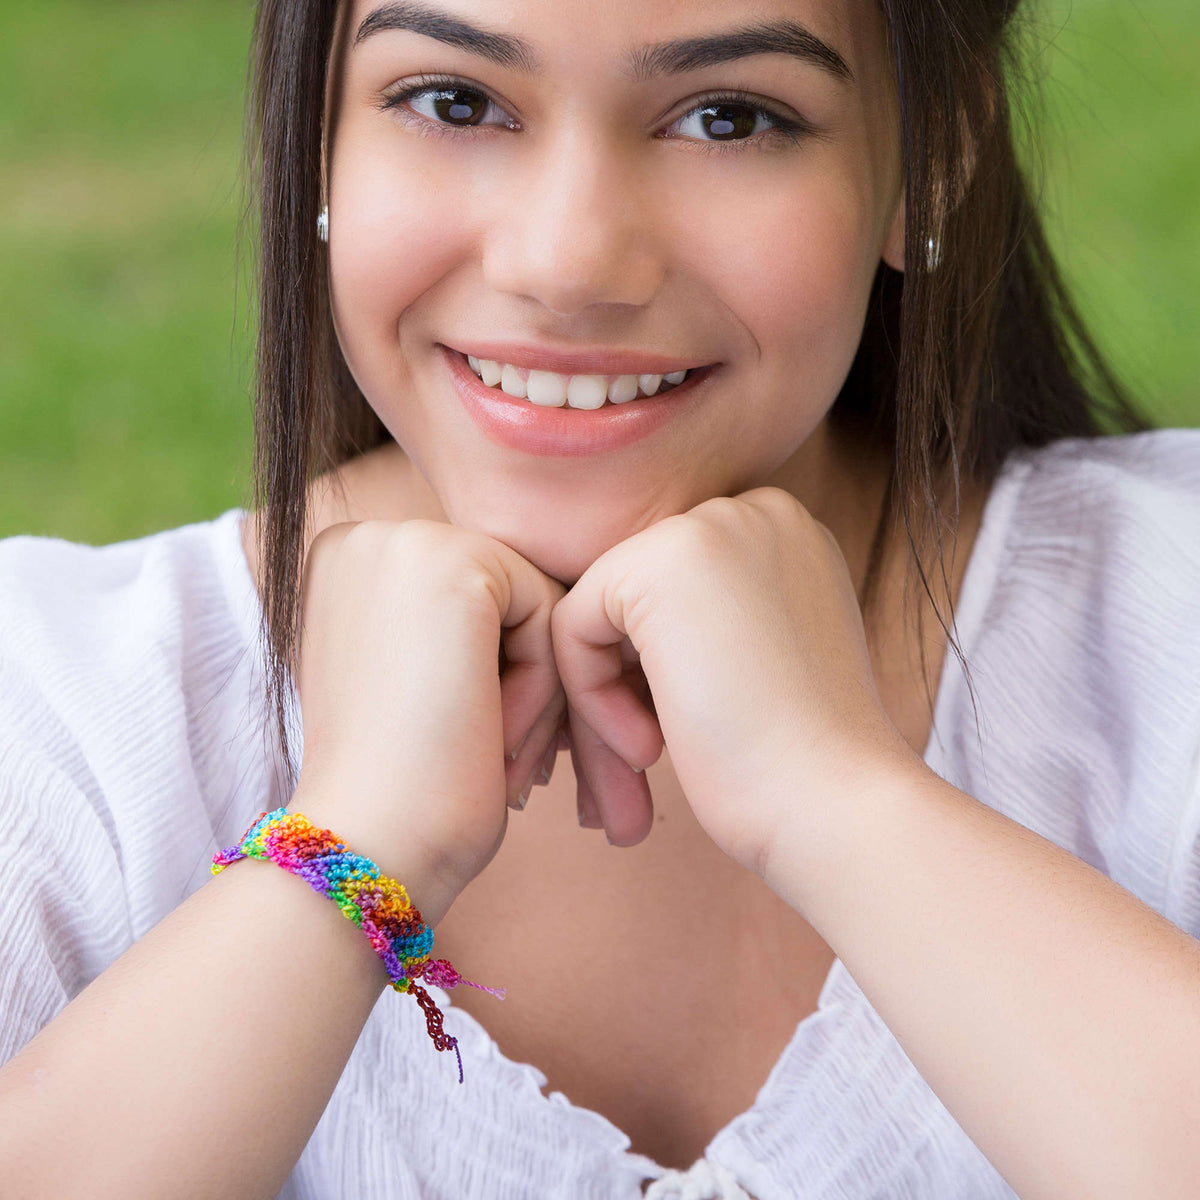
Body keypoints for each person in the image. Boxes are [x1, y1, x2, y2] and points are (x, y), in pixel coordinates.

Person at [1, 0, 1198, 1196]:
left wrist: (844, 799)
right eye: (453, 101)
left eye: (729, 117)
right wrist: (351, 843)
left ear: (931, 163)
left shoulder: (1166, 608)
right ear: (317, 141)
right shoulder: (62, 713)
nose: (567, 261)